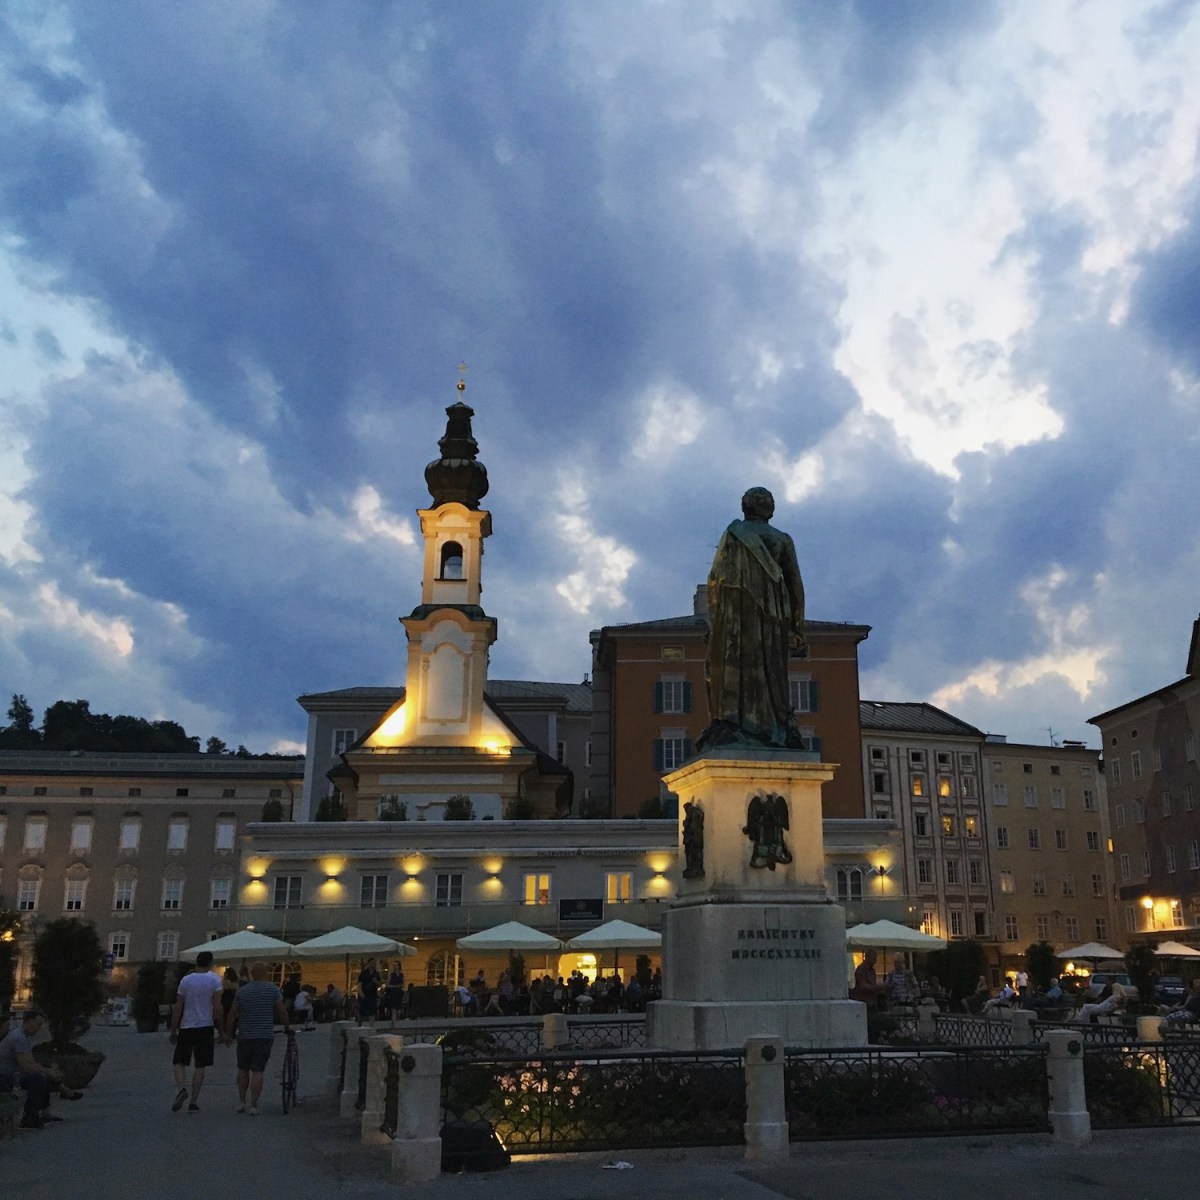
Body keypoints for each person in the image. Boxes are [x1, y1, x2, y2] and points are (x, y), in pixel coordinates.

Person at [699, 486, 806, 751]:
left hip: (733, 617)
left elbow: (715, 580)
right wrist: (798, 626)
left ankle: (734, 721)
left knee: (734, 667)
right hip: (773, 617)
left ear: (745, 508)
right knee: (770, 671)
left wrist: (714, 621)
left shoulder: (733, 534)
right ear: (770, 509)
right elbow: (795, 586)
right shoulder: (782, 540)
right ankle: (774, 726)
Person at [226, 960, 289, 1115]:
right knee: (258, 1071)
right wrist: (287, 1026)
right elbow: (281, 1011)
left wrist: (228, 1033)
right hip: (264, 1036)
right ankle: (254, 1105)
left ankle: (241, 1102)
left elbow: (232, 1015)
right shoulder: (273, 990)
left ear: (252, 974)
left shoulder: (242, 991)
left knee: (242, 1069)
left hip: (245, 1035)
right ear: (266, 973)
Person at [168, 949, 224, 1113]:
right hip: (205, 1026)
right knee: (200, 1065)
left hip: (187, 1026)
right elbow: (217, 1006)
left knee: (179, 1061)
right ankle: (193, 1102)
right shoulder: (214, 980)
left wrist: (173, 1028)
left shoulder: (186, 980)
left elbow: (178, 1006)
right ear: (210, 963)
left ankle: (181, 1089)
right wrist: (222, 1029)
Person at [0, 1009, 64, 1130]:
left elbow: (31, 1062)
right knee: (37, 1079)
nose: (39, 1028)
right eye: (38, 1024)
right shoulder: (18, 1037)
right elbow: (26, 1066)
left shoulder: (22, 1036)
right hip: (5, 1076)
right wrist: (48, 1072)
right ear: (29, 1021)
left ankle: (45, 1113)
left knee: (41, 1075)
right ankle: (30, 1117)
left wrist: (47, 1070)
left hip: (12, 1073)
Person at [357, 958, 381, 1027]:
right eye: (371, 963)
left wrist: (376, 982)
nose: (373, 965)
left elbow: (379, 984)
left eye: (374, 963)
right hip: (364, 994)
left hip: (372, 995)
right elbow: (360, 984)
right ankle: (359, 1025)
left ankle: (371, 1026)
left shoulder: (376, 974)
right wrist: (361, 992)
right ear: (368, 964)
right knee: (362, 1012)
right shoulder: (363, 973)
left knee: (372, 1012)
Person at [386, 962, 406, 1029]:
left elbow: (403, 984)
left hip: (399, 992)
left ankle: (398, 1022)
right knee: (393, 1009)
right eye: (393, 965)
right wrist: (394, 986)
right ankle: (393, 1024)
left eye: (396, 965)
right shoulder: (391, 975)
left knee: (399, 1009)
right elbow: (387, 985)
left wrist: (400, 986)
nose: (394, 967)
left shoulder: (401, 974)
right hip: (393, 992)